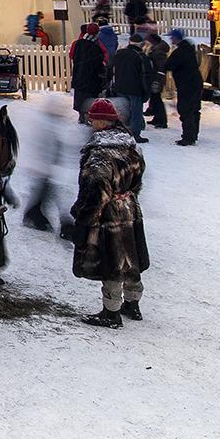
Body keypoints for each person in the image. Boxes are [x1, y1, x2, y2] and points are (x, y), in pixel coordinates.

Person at [71, 98, 149, 328]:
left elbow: (96, 189)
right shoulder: (130, 144)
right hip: (130, 207)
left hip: (109, 213)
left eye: (92, 119)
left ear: (102, 121)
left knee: (112, 260)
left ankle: (111, 311)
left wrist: (84, 217)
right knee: (131, 256)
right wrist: (128, 195)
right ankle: (133, 304)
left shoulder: (100, 153)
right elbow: (139, 176)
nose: (89, 122)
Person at [108, 33, 151, 143]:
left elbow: (111, 68)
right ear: (141, 44)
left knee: (123, 110)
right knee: (136, 111)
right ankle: (135, 133)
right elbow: (146, 75)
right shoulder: (141, 56)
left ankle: (123, 130)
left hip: (120, 86)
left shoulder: (119, 53)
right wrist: (146, 91)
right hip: (135, 88)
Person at [164, 29, 204, 145]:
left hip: (187, 84)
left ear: (176, 38)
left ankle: (188, 137)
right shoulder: (189, 50)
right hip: (195, 82)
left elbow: (168, 65)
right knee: (195, 109)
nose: (171, 40)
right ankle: (194, 134)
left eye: (172, 38)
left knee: (186, 110)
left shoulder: (180, 52)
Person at [69, 23, 106, 124]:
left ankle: (81, 115)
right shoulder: (96, 47)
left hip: (79, 74)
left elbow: (72, 56)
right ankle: (88, 116)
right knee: (89, 96)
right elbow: (98, 63)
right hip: (91, 77)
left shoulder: (78, 44)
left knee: (80, 96)